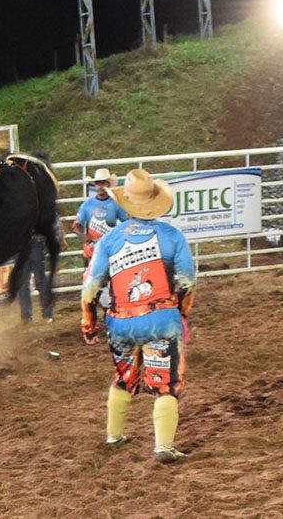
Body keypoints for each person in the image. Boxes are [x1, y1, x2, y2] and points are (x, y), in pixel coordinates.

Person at [82, 168, 195, 464]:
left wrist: (88, 323)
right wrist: (181, 312)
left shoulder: (109, 240)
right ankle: (164, 446)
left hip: (120, 322)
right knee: (166, 383)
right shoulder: (172, 236)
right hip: (161, 319)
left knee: (123, 377)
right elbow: (187, 280)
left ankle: (114, 435)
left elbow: (91, 286)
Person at [72, 168, 128, 344]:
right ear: (95, 185)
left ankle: (108, 324)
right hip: (92, 254)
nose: (101, 186)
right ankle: (91, 329)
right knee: (92, 292)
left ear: (108, 184)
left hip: (110, 254)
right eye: (98, 183)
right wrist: (86, 238)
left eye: (103, 183)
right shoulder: (87, 205)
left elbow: (127, 222)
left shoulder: (115, 204)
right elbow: (76, 226)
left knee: (113, 290)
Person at [18, 216, 65, 323]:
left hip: (33, 244)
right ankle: (31, 315)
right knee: (27, 283)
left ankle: (39, 314)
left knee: (36, 281)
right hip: (27, 245)